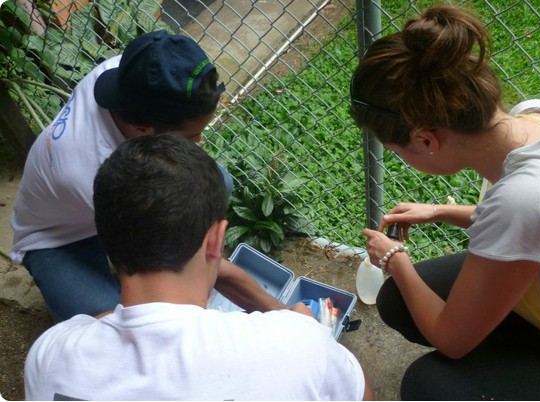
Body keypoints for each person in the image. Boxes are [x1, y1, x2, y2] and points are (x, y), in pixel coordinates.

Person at [352, 5, 540, 400]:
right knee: (398, 300)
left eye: (397, 149)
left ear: (426, 140)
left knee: (431, 386)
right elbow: (539, 229)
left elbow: (450, 339)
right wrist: (440, 211)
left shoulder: (524, 201)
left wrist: (395, 258)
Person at [24, 134, 372, 401]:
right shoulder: (299, 345)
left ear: (106, 238)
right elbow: (362, 396)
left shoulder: (52, 353)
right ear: (217, 240)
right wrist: (296, 324)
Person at [11, 31, 287, 320]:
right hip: (57, 238)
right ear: (142, 130)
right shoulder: (88, 167)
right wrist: (282, 315)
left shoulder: (128, 74)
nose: (201, 141)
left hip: (102, 203)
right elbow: (189, 264)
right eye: (192, 135)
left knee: (218, 181)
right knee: (119, 324)